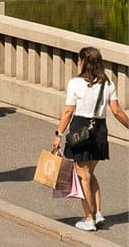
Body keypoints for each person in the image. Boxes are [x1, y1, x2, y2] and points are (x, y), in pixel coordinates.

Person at [53, 47, 129, 231]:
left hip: (81, 129)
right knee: (89, 173)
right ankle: (98, 212)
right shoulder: (108, 84)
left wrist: (58, 134)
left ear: (83, 62)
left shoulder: (75, 83)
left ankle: (89, 218)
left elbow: (68, 111)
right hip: (100, 130)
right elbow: (117, 111)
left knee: (82, 176)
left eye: (79, 59)